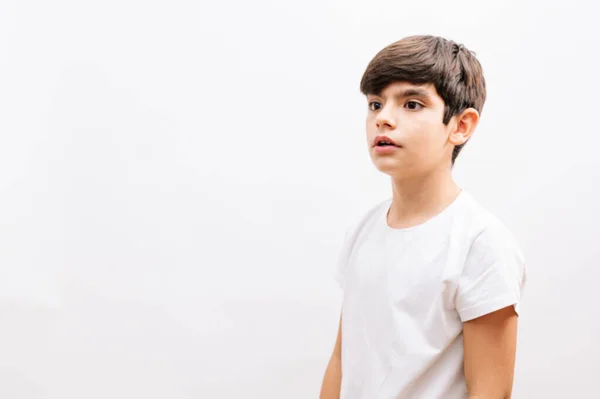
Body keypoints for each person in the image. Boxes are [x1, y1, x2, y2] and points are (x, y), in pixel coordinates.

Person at [319, 35, 527, 399]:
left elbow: (490, 391)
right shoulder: (364, 230)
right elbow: (342, 359)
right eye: (374, 104)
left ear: (461, 126)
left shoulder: (481, 243)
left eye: (412, 104)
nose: (383, 118)